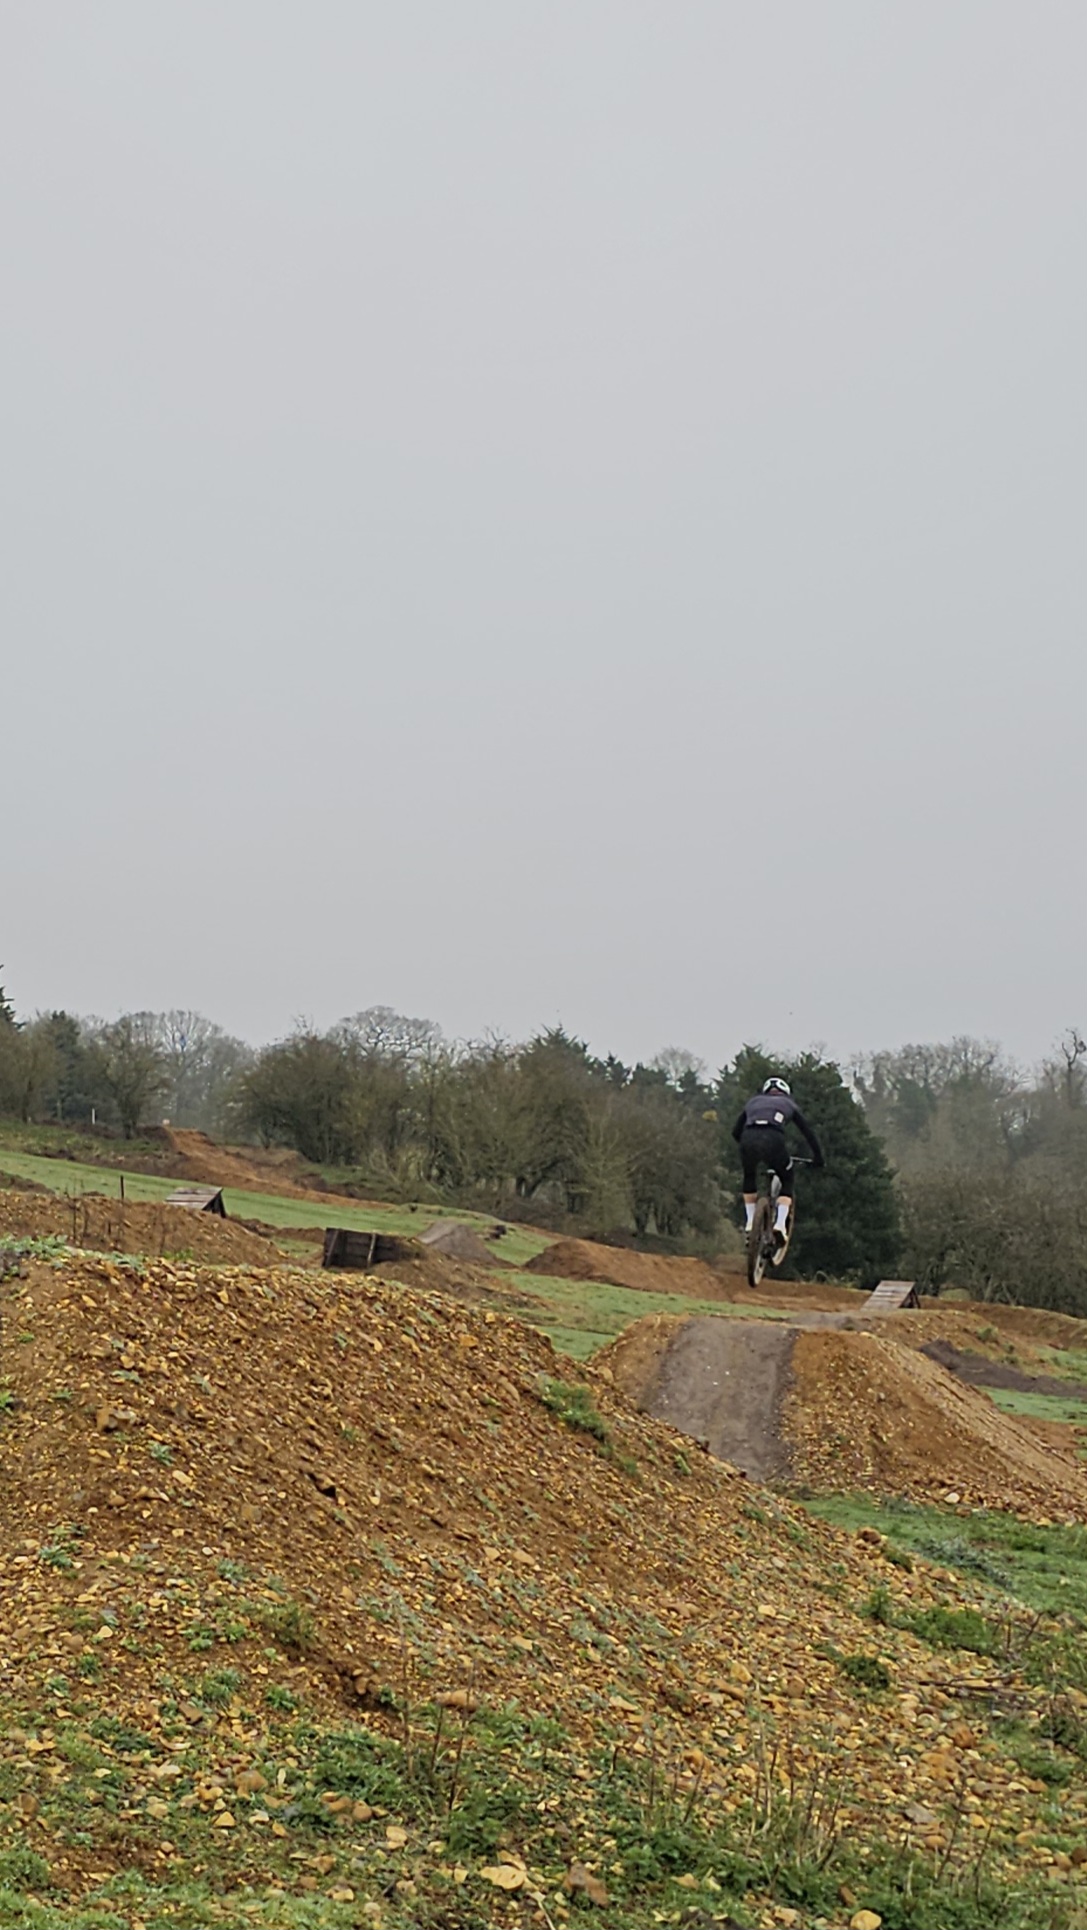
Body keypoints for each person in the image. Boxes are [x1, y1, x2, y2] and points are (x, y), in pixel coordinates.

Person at [731, 1077, 824, 1245]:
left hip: (748, 1137)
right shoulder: (789, 1104)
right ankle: (780, 1224)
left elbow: (735, 1132)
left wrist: (748, 1147)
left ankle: (750, 1222)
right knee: (787, 1178)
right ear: (786, 1093)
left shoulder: (753, 1102)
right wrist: (818, 1158)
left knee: (749, 1175)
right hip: (773, 1138)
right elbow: (809, 1133)